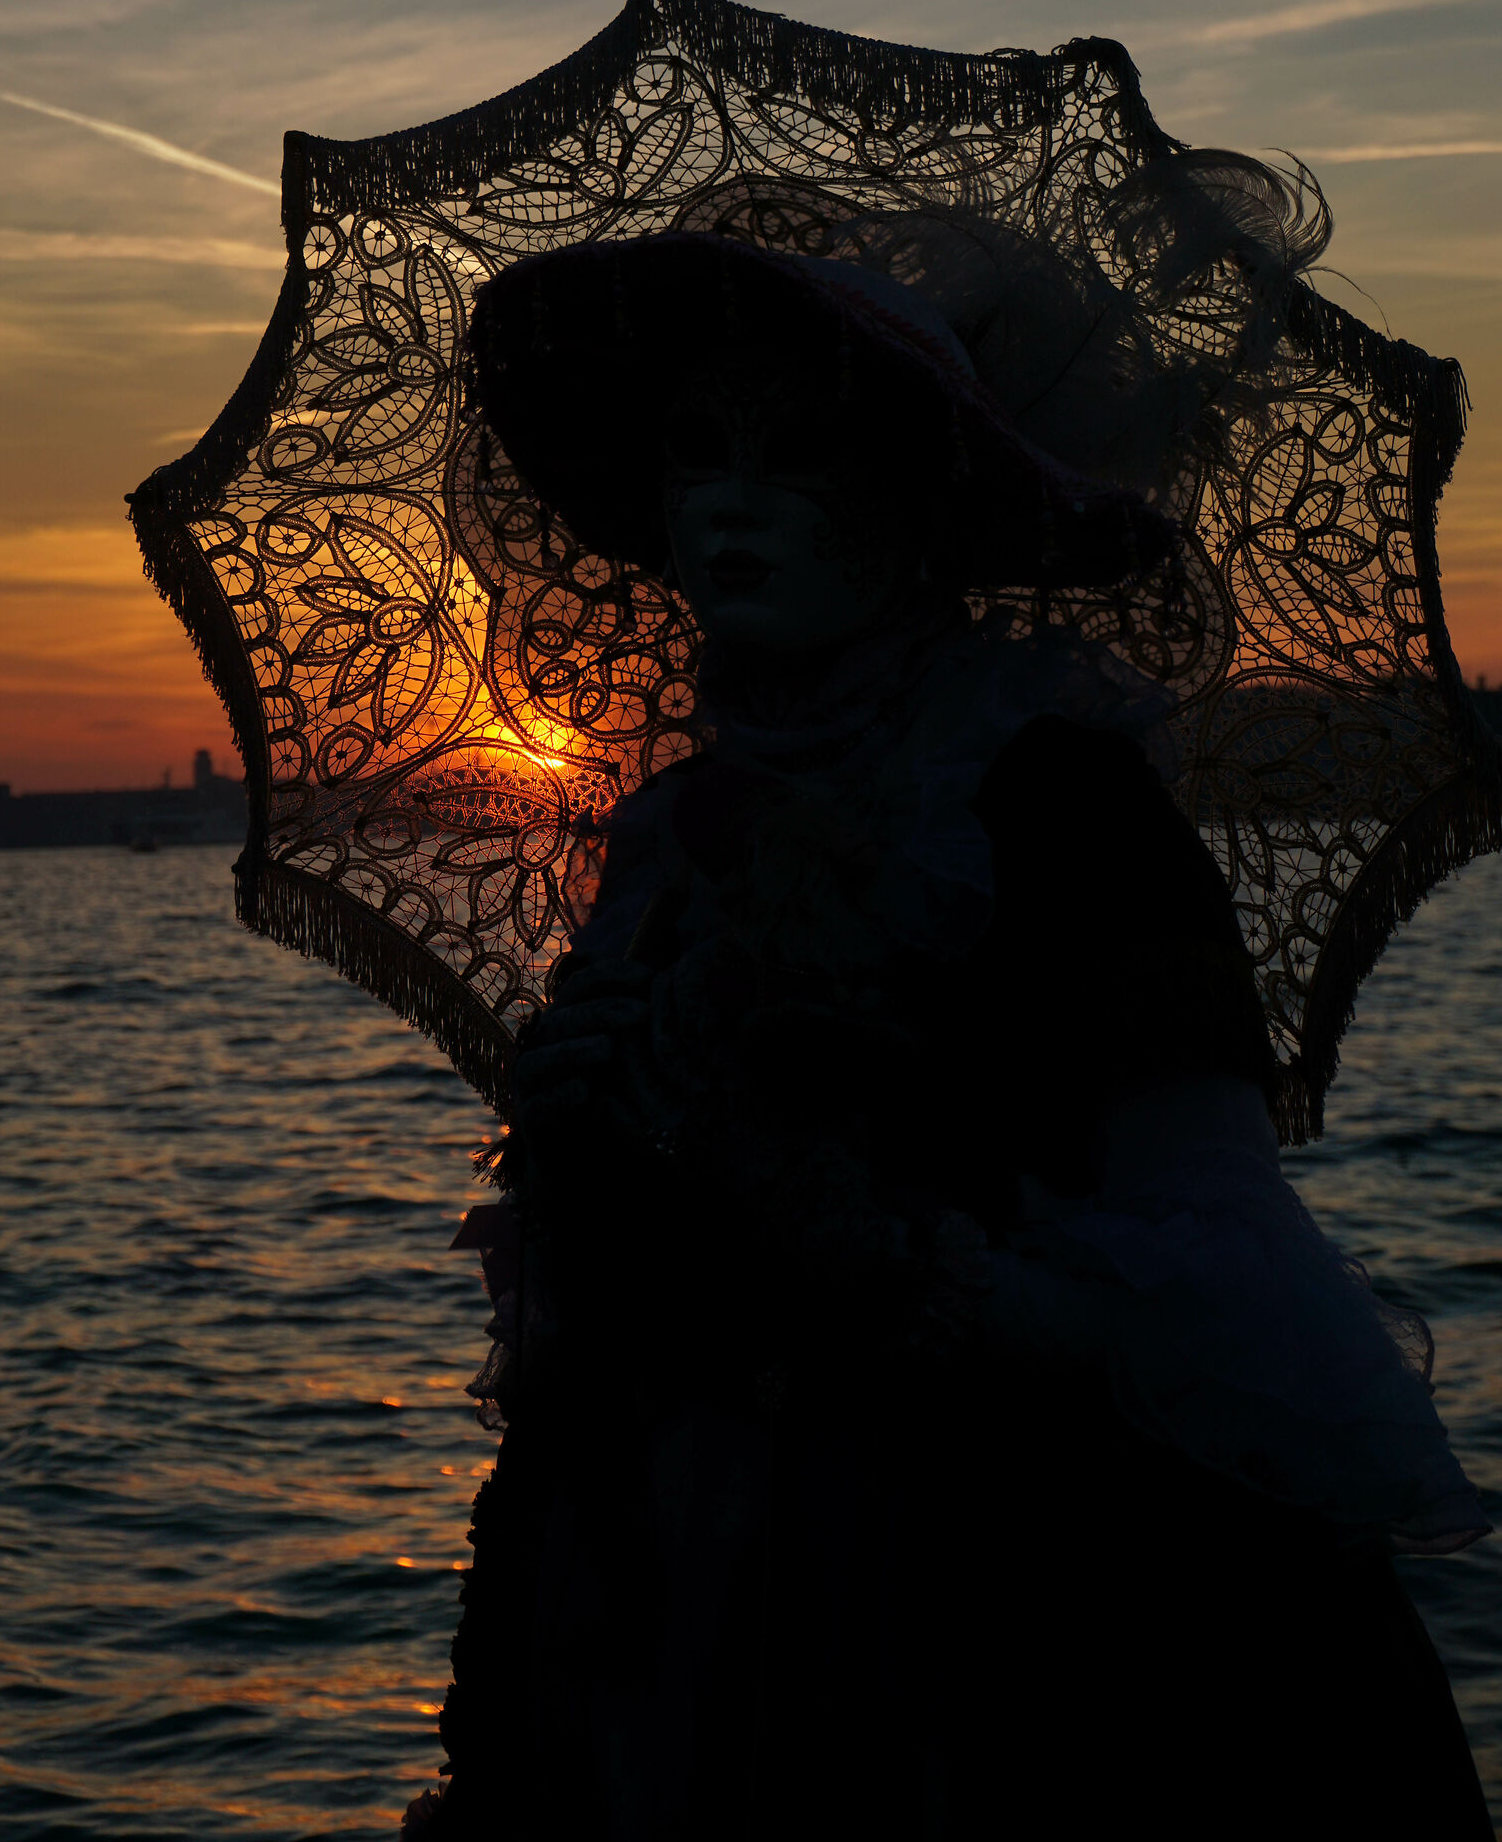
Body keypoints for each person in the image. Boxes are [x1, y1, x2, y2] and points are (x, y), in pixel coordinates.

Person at [412, 203, 1491, 1839]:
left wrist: (863, 1231)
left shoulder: (1054, 802)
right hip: (664, 1574)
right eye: (698, 455)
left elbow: (1206, 1265)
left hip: (983, 1581)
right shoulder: (668, 831)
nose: (734, 503)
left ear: (921, 510)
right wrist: (580, 1139)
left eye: (804, 456)